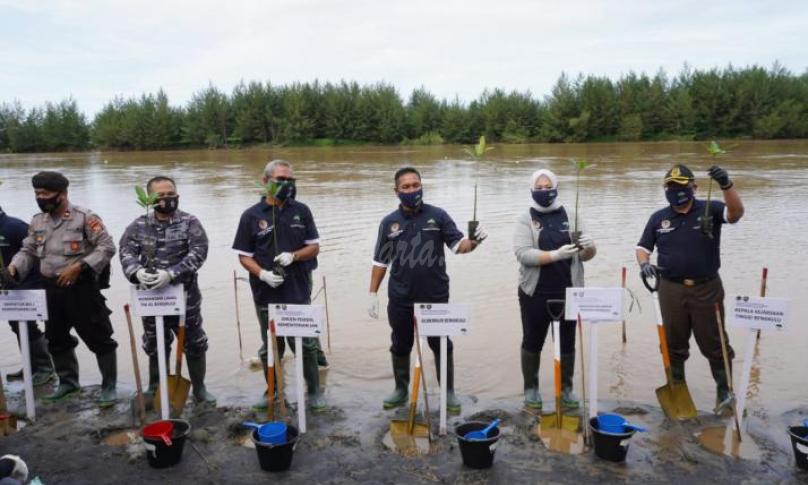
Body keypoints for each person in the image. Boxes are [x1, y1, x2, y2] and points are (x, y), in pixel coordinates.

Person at [368, 166, 486, 414]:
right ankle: (401, 389)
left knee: (441, 343)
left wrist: (473, 241)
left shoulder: (438, 216)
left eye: (416, 185)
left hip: (435, 295)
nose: (412, 190)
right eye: (406, 187)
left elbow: (458, 246)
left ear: (422, 186)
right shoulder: (389, 223)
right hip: (400, 296)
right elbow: (380, 261)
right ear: (396, 191)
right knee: (400, 343)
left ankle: (448, 392)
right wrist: (372, 294)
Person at [636, 164, 744, 414]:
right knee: (672, 343)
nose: (675, 191)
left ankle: (724, 392)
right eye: (670, 187)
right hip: (669, 289)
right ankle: (678, 389)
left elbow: (736, 214)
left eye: (681, 186)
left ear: (694, 188)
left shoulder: (711, 209)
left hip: (706, 289)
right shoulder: (658, 218)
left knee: (715, 343)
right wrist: (644, 264)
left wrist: (726, 184)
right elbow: (642, 248)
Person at [5, 171, 118, 406]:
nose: (40, 198)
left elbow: (106, 247)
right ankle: (68, 382)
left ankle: (108, 386)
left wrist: (79, 267)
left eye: (45, 194)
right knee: (56, 338)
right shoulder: (38, 221)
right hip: (50, 289)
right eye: (37, 193)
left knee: (99, 337)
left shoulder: (84, 218)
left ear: (62, 194)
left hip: (81, 288)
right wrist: (14, 268)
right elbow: (28, 251)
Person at [233, 160, 326, 411]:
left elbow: (314, 247)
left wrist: (294, 256)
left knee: (304, 344)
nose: (286, 184)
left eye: (290, 180)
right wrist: (262, 273)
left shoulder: (301, 210)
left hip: (297, 287)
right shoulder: (251, 215)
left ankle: (314, 391)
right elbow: (244, 256)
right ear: (265, 182)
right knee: (271, 345)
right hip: (266, 291)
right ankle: (272, 391)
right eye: (280, 179)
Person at [119, 176, 216, 405]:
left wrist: (172, 273)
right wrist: (136, 272)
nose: (167, 198)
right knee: (155, 343)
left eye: (170, 193)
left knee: (194, 342)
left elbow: (199, 251)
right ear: (149, 198)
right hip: (150, 297)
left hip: (185, 296)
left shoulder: (189, 222)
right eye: (160, 195)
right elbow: (126, 252)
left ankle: (199, 387)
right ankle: (156, 386)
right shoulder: (138, 225)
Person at [512, 169, 596, 410]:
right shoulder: (525, 218)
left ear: (556, 187)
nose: (544, 191)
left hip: (569, 291)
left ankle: (566, 388)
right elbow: (522, 254)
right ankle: (531, 389)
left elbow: (585, 256)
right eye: (539, 187)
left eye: (548, 186)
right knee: (532, 340)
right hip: (534, 292)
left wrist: (591, 248)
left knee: (567, 342)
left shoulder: (571, 214)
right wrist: (556, 255)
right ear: (531, 190)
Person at [0, 207, 55, 386]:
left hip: (29, 283)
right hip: (7, 286)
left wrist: (32, 284)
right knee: (16, 325)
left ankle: (45, 368)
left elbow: (37, 254)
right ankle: (31, 365)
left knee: (28, 325)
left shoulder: (15, 226)